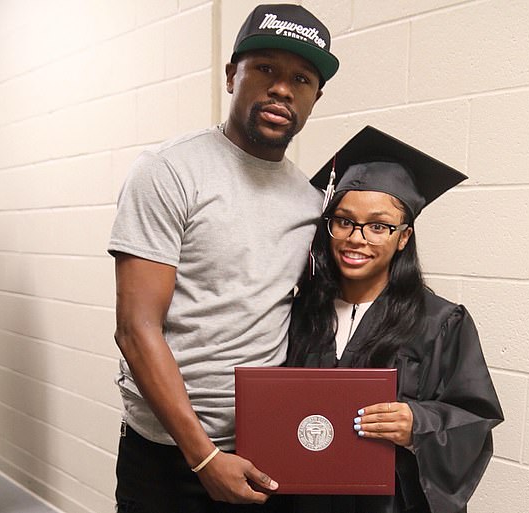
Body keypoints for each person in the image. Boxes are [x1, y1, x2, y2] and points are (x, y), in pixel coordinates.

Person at [107, 4, 339, 512]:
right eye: (266, 69)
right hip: (168, 453)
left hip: (264, 450)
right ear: (233, 75)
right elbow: (136, 328)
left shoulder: (310, 200)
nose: (282, 88)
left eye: (301, 78)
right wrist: (204, 457)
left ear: (315, 98)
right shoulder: (169, 171)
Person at [287, 126, 504, 513]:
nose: (357, 238)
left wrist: (417, 424)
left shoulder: (441, 322)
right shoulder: (301, 313)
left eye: (379, 226)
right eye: (344, 221)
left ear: (403, 237)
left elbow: (476, 419)